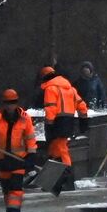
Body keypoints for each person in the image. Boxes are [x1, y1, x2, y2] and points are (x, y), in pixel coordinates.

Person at [0, 88, 38, 212]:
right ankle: (10, 209)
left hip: (18, 160)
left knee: (15, 187)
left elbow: (30, 138)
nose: (10, 106)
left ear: (17, 103)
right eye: (8, 103)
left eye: (13, 102)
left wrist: (31, 155)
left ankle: (14, 210)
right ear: (4, 104)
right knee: (7, 189)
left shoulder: (25, 118)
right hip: (2, 160)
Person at [38, 64, 89, 193]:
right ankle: (54, 182)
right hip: (68, 122)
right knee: (55, 151)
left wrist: (49, 125)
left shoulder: (50, 89)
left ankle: (67, 179)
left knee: (60, 150)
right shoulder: (70, 89)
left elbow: (51, 108)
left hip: (56, 123)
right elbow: (82, 105)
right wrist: (83, 120)